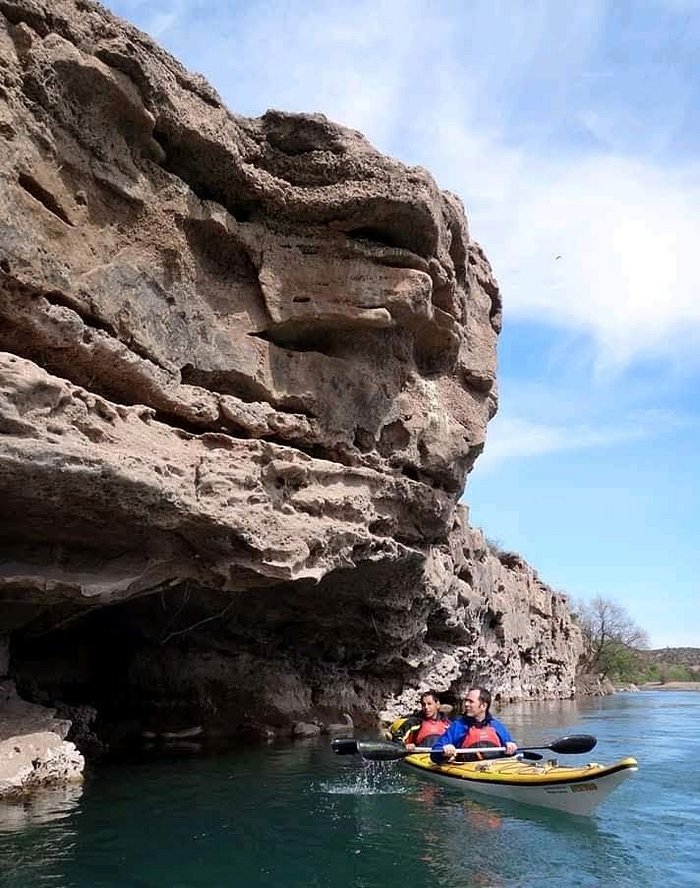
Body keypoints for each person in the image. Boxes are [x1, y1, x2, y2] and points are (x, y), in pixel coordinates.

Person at [430, 687, 517, 763]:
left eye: (471, 702)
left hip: (496, 767)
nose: (466, 704)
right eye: (466, 701)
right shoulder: (458, 726)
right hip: (467, 769)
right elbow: (435, 753)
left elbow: (512, 750)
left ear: (483, 706)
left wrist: (511, 748)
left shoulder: (496, 726)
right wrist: (444, 750)